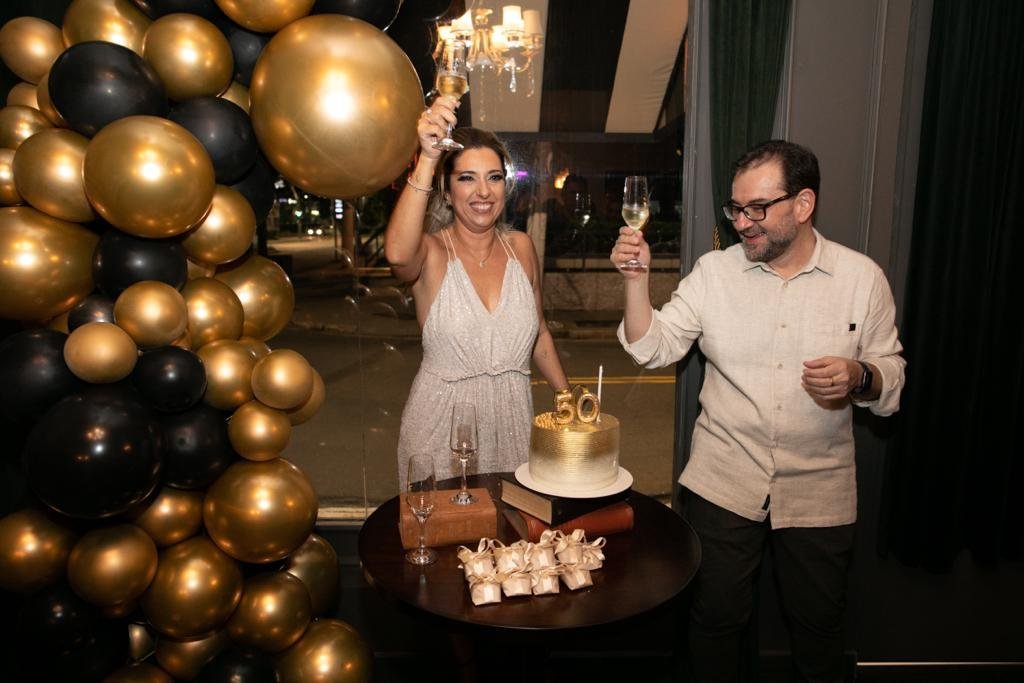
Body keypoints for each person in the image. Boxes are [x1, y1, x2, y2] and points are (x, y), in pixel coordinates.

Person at [611, 140, 906, 682]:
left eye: (757, 209)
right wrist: (636, 282)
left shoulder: (862, 278)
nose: (743, 222)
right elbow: (653, 348)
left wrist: (861, 375)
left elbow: (892, 372)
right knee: (715, 623)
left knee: (819, 631)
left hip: (820, 490)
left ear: (803, 203)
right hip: (723, 482)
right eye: (736, 208)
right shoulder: (714, 273)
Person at [385, 96, 569, 488]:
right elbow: (398, 254)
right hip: (439, 432)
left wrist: (567, 398)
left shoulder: (521, 248)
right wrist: (428, 158)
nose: (483, 191)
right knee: (441, 526)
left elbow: (539, 333)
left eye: (494, 177)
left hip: (513, 426)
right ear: (447, 191)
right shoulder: (432, 253)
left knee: (511, 526)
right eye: (467, 178)